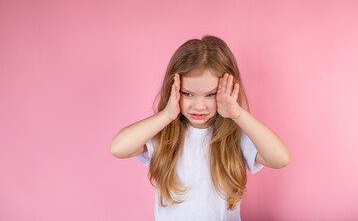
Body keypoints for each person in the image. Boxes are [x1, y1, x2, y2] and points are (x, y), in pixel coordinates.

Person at [110, 35, 291, 221]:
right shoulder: (163, 134)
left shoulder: (234, 136)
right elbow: (118, 148)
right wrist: (166, 115)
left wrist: (238, 114)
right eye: (188, 94)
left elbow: (281, 158)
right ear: (174, 88)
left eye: (210, 94)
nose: (199, 106)